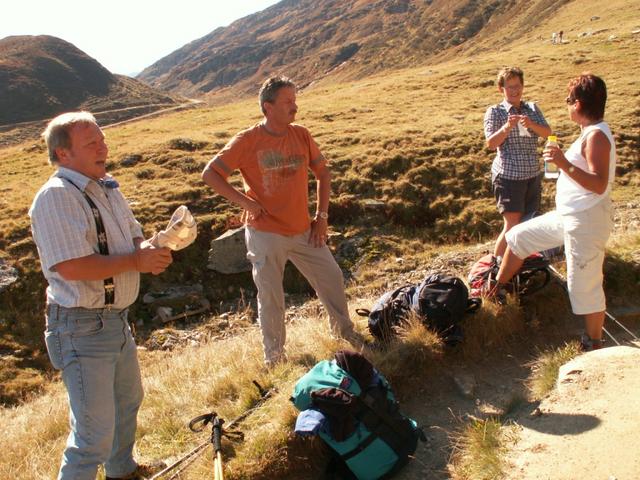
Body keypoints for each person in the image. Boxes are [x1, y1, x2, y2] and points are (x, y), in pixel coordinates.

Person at [29, 111, 172, 480]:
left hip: (115, 321)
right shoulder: (56, 197)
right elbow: (71, 266)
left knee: (127, 404)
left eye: (102, 140)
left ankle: (122, 471)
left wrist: (149, 249)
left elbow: (132, 233)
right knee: (92, 436)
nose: (103, 148)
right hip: (81, 328)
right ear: (63, 153)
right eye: (91, 143)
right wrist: (136, 261)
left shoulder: (107, 187)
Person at [202, 76, 356, 367]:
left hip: (304, 230)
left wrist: (321, 218)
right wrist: (246, 203)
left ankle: (344, 333)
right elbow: (210, 174)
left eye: (295, 100)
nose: (294, 107)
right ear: (268, 107)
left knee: (332, 277)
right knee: (271, 297)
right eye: (287, 102)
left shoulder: (301, 135)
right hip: (265, 233)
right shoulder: (247, 140)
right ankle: (274, 358)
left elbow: (323, 174)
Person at [493, 73, 615, 351]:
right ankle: (496, 289)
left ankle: (593, 343)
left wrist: (562, 163)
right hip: (570, 215)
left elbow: (598, 184)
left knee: (583, 284)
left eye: (569, 100)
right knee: (518, 237)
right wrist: (561, 161)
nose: (567, 104)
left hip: (586, 220)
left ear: (579, 104)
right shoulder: (590, 132)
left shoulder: (597, 136)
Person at [484, 67, 553, 258]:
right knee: (512, 224)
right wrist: (507, 126)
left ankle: (520, 265)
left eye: (518, 86)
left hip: (532, 175)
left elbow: (548, 133)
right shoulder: (495, 112)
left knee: (528, 224)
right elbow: (491, 144)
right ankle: (496, 267)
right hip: (508, 176)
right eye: (510, 87)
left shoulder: (532, 108)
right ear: (501, 89)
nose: (515, 91)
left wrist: (531, 124)